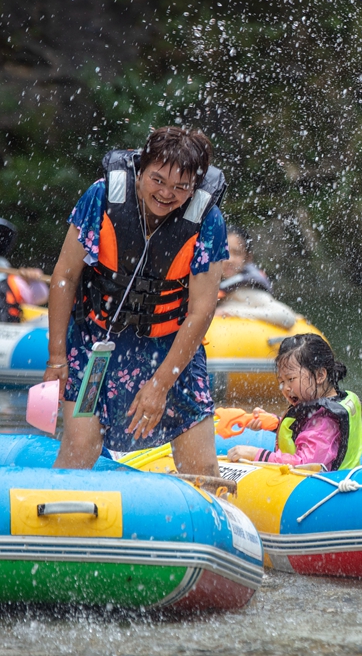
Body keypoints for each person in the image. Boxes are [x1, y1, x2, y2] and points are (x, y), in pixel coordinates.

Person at [45, 126, 228, 474]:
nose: (166, 194)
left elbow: (202, 311)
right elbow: (65, 275)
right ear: (140, 170)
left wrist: (160, 384)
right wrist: (57, 357)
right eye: (157, 180)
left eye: (181, 187)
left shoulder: (208, 220)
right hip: (95, 341)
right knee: (80, 449)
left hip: (171, 348)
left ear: (194, 187)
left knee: (201, 468)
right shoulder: (102, 196)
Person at [226, 333, 362, 470]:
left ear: (320, 375)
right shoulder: (328, 406)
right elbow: (306, 429)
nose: (285, 388)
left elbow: (304, 465)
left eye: (291, 379)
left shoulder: (325, 422)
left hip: (321, 488)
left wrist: (255, 454)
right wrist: (274, 423)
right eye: (281, 381)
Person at [215, 225, 299, 329]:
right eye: (224, 252)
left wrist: (231, 311)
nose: (229, 260)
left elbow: (286, 317)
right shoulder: (209, 284)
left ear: (248, 258)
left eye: (237, 253)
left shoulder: (246, 290)